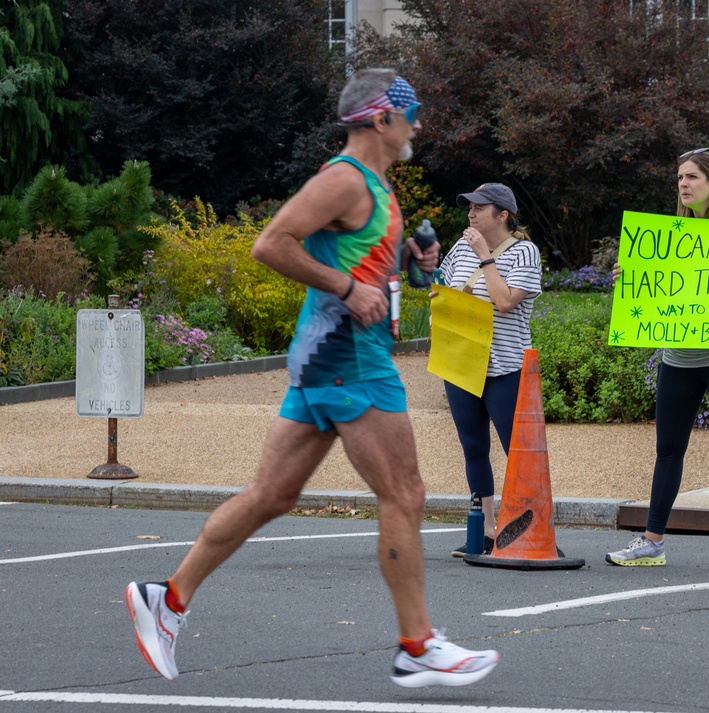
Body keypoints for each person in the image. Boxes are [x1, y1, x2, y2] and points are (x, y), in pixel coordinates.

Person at [124, 68, 499, 688]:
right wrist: (348, 286)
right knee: (404, 495)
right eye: (411, 113)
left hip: (325, 359)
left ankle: (167, 597)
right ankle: (417, 645)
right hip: (350, 361)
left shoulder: (374, 186)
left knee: (272, 496)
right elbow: (271, 244)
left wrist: (411, 263)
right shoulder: (346, 180)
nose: (418, 125)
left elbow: (357, 261)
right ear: (382, 119)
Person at [605, 147, 709, 576]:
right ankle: (653, 542)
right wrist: (629, 281)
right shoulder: (666, 235)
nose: (683, 184)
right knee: (668, 450)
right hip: (678, 357)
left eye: (692, 177)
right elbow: (654, 293)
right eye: (679, 177)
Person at [431, 183, 542, 557]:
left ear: (503, 215)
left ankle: (529, 528)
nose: (470, 214)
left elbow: (505, 301)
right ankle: (487, 530)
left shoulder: (525, 252)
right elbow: (445, 285)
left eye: (479, 208)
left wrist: (485, 257)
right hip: (462, 361)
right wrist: (439, 296)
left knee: (519, 453)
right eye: (469, 207)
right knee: (473, 448)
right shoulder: (460, 248)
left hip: (507, 366)